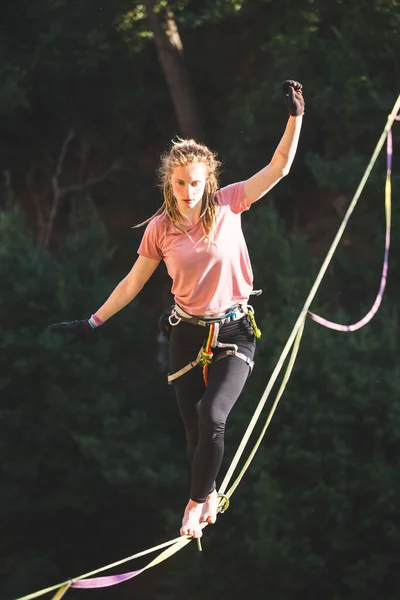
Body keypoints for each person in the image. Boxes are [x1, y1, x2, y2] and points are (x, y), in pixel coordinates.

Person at [50, 80, 305, 539]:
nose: (189, 191)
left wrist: (295, 119)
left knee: (213, 416)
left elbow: (280, 168)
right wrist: (93, 321)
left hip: (233, 331)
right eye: (181, 183)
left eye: (196, 182)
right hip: (185, 333)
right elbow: (133, 282)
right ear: (170, 183)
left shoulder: (231, 202)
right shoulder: (159, 229)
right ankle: (205, 496)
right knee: (194, 437)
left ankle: (194, 504)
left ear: (209, 181)